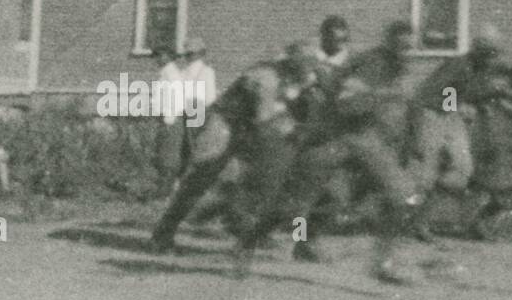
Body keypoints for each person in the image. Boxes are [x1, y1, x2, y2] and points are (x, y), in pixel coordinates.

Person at [275, 20, 421, 283]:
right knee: (400, 196)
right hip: (344, 137)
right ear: (390, 43)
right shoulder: (374, 63)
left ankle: (303, 243)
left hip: (356, 138)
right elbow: (347, 103)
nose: (405, 52)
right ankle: (381, 262)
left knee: (337, 196)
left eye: (409, 47)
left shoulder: (377, 62)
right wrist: (383, 95)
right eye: (401, 46)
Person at [149, 44, 317, 256]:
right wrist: (290, 132)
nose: (307, 73)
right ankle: (164, 232)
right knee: (201, 179)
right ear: (292, 65)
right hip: (228, 124)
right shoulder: (267, 77)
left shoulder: (300, 77)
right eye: (304, 67)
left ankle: (299, 241)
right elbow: (264, 123)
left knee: (293, 182)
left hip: (255, 127)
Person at [408, 25, 503, 239]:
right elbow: (439, 90)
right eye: (488, 52)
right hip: (433, 114)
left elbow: (469, 94)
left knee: (462, 170)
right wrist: (455, 108)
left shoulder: (481, 69)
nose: (491, 58)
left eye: (494, 53)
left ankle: (427, 216)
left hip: (450, 116)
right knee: (428, 170)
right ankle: (419, 222)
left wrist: (488, 96)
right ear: (477, 49)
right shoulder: (460, 64)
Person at [154, 36, 218, 197]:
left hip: (197, 110)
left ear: (200, 54)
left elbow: (209, 97)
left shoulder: (206, 71)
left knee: (196, 149)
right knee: (186, 150)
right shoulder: (184, 71)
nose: (189, 56)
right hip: (186, 111)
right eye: (188, 53)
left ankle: (200, 187)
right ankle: (183, 186)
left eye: (192, 53)